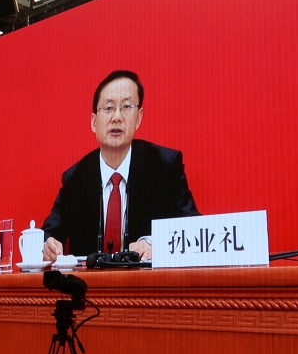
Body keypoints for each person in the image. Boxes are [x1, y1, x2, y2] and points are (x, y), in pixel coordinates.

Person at [42, 70, 200, 261]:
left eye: (126, 106)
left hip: (147, 279)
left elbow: (193, 227)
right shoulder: (76, 178)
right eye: (108, 108)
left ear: (139, 118)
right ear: (94, 122)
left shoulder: (164, 166)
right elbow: (48, 235)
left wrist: (154, 243)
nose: (117, 117)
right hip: (88, 279)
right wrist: (47, 246)